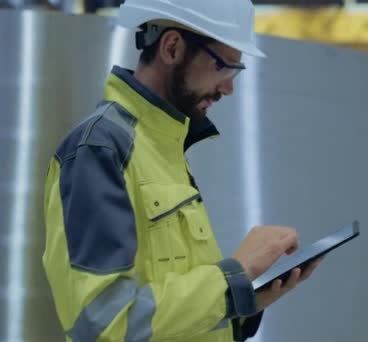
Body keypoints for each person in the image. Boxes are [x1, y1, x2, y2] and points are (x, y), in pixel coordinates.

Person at [42, 1, 322, 341]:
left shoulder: (161, 148)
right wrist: (235, 274)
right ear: (172, 47)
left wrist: (239, 306)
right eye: (223, 66)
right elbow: (104, 323)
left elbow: (163, 314)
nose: (228, 87)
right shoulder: (100, 149)